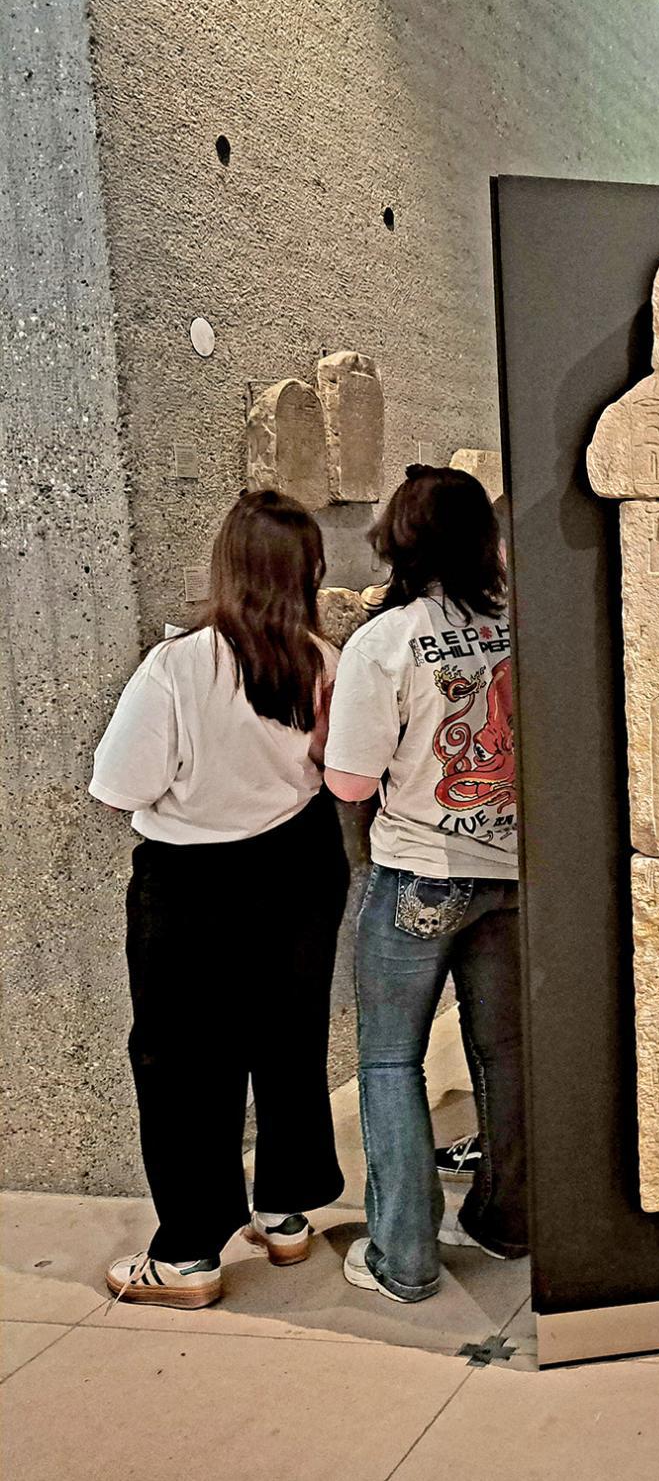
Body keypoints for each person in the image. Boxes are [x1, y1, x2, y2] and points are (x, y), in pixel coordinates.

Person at [90, 490, 349, 1308]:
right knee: (289, 1037)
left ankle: (191, 1253)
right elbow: (334, 768)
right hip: (302, 864)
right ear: (308, 571)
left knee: (184, 1062)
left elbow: (120, 784)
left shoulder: (177, 666)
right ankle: (285, 1211)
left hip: (191, 882)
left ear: (227, 566)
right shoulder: (322, 659)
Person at [324, 464, 525, 1303]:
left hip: (420, 871)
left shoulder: (385, 641)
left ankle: (403, 1257)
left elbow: (350, 782)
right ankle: (507, 1221)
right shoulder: (520, 623)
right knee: (506, 1053)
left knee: (389, 1060)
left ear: (398, 539)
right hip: (514, 871)